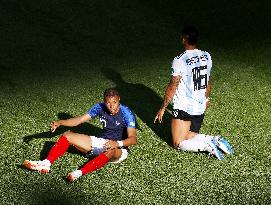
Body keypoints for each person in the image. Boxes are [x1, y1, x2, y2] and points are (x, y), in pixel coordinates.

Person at [23, 88, 137, 182]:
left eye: (114, 102)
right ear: (104, 101)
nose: (111, 106)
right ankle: (46, 163)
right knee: (67, 135)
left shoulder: (126, 113)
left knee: (111, 150)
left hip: (119, 149)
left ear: (119, 100)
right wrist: (60, 122)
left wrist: (116, 143)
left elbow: (133, 139)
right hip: (102, 142)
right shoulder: (100, 107)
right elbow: (79, 120)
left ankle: (78, 173)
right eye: (108, 103)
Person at [154, 26, 233, 160]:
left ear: (184, 39)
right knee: (188, 134)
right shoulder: (206, 56)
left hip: (185, 107)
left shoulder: (180, 60)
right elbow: (207, 80)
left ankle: (208, 146)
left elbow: (173, 85)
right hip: (200, 108)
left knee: (178, 143)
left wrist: (163, 108)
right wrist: (206, 99)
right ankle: (214, 139)